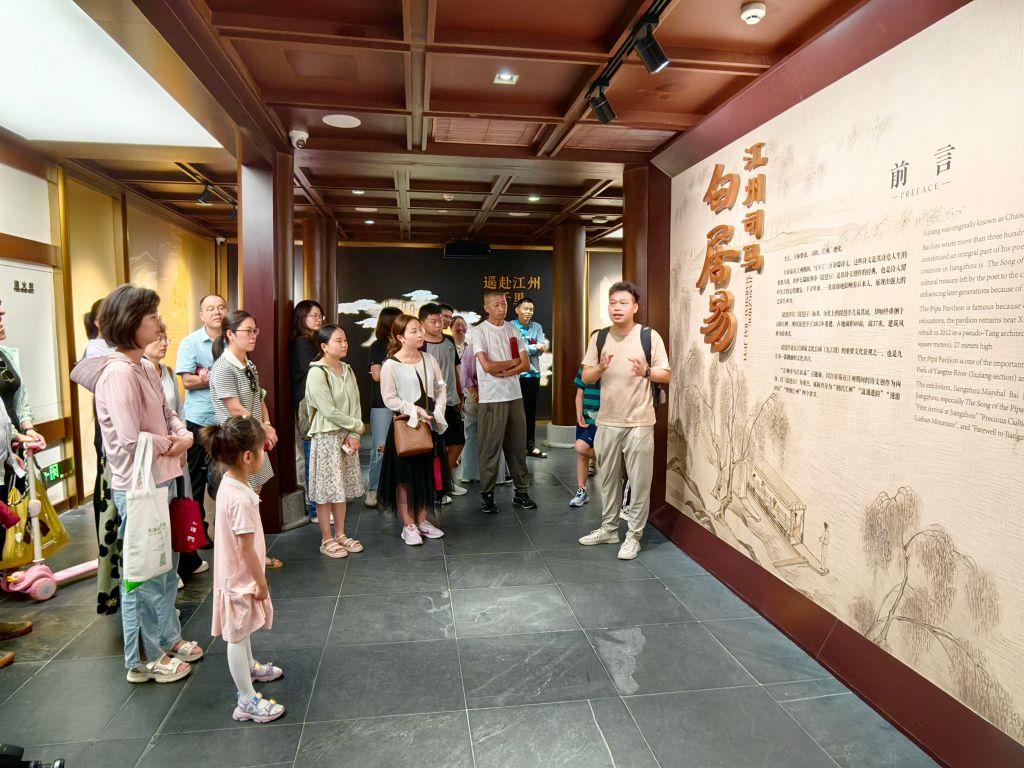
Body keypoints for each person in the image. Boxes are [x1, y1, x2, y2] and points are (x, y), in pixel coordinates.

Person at [70, 284, 203, 683]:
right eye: (151, 317)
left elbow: (167, 411)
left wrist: (182, 434)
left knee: (166, 569)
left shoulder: (143, 366)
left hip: (163, 477)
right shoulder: (117, 373)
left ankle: (167, 636)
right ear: (130, 323)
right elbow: (129, 440)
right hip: (139, 485)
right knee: (142, 574)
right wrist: (175, 442)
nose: (159, 324)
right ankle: (143, 658)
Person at [578, 281, 671, 560]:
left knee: (639, 483)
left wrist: (647, 372)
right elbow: (586, 377)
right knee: (607, 479)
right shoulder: (599, 338)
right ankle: (608, 529)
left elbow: (666, 374)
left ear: (635, 307)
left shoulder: (648, 336)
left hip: (639, 422)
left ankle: (633, 536)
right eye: (613, 303)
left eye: (623, 303)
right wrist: (600, 367)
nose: (617, 308)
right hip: (607, 421)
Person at [203, 416, 284, 723]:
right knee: (236, 635)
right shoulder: (239, 498)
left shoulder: (231, 483)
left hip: (236, 576)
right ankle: (246, 700)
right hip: (240, 579)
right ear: (248, 456)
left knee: (243, 628)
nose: (264, 454)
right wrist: (260, 582)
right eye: (262, 449)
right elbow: (246, 549)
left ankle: (249, 667)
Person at [209, 310, 282, 568]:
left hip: (254, 439)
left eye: (255, 331)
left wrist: (267, 426)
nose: (253, 336)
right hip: (238, 444)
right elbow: (235, 409)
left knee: (253, 500)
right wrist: (264, 429)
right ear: (230, 334)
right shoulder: (222, 367)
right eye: (248, 331)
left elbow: (259, 398)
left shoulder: (248, 364)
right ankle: (241, 560)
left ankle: (255, 555)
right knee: (241, 503)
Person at [144, 324, 209, 581]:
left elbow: (178, 411)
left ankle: (185, 559)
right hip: (157, 452)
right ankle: (167, 570)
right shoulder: (138, 372)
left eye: (165, 338)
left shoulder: (168, 372)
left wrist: (183, 439)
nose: (163, 343)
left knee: (181, 503)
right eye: (157, 338)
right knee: (160, 509)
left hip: (178, 447)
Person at [378, 315, 448, 545]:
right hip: (404, 428)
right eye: (414, 331)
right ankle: (408, 525)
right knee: (404, 479)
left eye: (420, 330)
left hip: (428, 426)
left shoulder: (429, 359)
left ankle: (422, 520)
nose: (420, 334)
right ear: (400, 337)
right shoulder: (391, 365)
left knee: (426, 474)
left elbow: (440, 387)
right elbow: (389, 399)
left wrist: (438, 411)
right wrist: (415, 410)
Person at [466, 290, 536, 514]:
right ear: (486, 307)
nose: (501, 308)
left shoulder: (513, 329)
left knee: (518, 447)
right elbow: (487, 366)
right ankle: (487, 494)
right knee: (489, 448)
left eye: (504, 304)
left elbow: (525, 364)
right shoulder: (478, 331)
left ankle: (521, 491)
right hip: (491, 398)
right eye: (496, 305)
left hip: (514, 396)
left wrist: (505, 370)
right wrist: (512, 363)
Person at [304, 324, 365, 558]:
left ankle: (340, 534)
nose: (344, 344)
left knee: (341, 488)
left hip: (347, 436)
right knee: (326, 490)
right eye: (338, 341)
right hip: (327, 436)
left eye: (345, 340)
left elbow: (356, 402)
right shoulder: (317, 372)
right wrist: (356, 426)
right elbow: (328, 410)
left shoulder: (347, 369)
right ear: (324, 346)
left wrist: (355, 433)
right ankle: (326, 539)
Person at [176, 293, 227, 522]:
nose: (216, 312)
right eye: (210, 308)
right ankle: (199, 532)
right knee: (196, 481)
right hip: (199, 420)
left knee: (223, 479)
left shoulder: (232, 339)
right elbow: (188, 381)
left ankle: (223, 528)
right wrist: (220, 377)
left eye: (221, 307)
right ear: (201, 315)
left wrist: (209, 377)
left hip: (225, 420)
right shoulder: (191, 342)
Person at [419, 303, 466, 499]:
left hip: (451, 401)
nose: (439, 325)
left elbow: (455, 369)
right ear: (422, 323)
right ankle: (436, 488)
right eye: (433, 322)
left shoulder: (448, 341)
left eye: (440, 321)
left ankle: (445, 482)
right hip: (430, 405)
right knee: (435, 447)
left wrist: (460, 394)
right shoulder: (420, 345)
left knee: (458, 441)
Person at [290, 300, 324, 521]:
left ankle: (316, 504)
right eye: (313, 315)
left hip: (312, 402)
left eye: (320, 315)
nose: (318, 319)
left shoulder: (312, 340)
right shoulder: (302, 343)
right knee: (310, 453)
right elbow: (313, 369)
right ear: (302, 318)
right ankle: (313, 507)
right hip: (307, 403)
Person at [365, 307, 401, 509]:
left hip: (404, 404)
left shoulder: (405, 345)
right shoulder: (378, 346)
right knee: (380, 449)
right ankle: (373, 489)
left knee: (403, 447)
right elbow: (377, 375)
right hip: (382, 405)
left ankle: (395, 489)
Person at [0, 301, 46, 452]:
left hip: (13, 442)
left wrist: (28, 428)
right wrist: (16, 436)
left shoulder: (7, 353)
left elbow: (20, 398)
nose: (2, 311)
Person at [512, 297, 549, 458]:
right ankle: (516, 446)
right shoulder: (510, 326)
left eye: (531, 309)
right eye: (525, 308)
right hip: (515, 375)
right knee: (515, 413)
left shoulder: (537, 327)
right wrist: (534, 347)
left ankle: (530, 446)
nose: (528, 312)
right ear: (517, 310)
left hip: (533, 374)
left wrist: (527, 348)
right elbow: (514, 350)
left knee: (530, 412)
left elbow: (542, 348)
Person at [569, 360, 601, 508]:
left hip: (603, 421)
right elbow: (579, 394)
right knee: (582, 454)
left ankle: (608, 459)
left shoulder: (610, 369)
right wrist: (579, 414)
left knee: (581, 447)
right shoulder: (584, 370)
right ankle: (582, 490)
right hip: (586, 420)